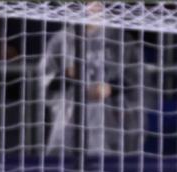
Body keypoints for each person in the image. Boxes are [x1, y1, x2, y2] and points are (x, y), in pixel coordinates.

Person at [39, 2, 143, 154]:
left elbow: (136, 79)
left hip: (110, 125)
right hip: (68, 122)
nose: (93, 7)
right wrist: (67, 74)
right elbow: (46, 81)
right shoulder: (61, 41)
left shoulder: (121, 40)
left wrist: (111, 88)